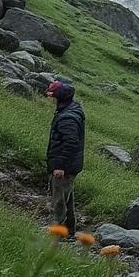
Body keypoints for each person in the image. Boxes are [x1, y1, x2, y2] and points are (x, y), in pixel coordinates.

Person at [45, 80, 84, 233]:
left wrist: (60, 166)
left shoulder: (67, 118)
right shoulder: (69, 111)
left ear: (59, 98)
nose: (50, 100)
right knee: (67, 197)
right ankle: (69, 230)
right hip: (70, 165)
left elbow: (70, 144)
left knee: (59, 200)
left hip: (64, 166)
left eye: (52, 96)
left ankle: (56, 231)